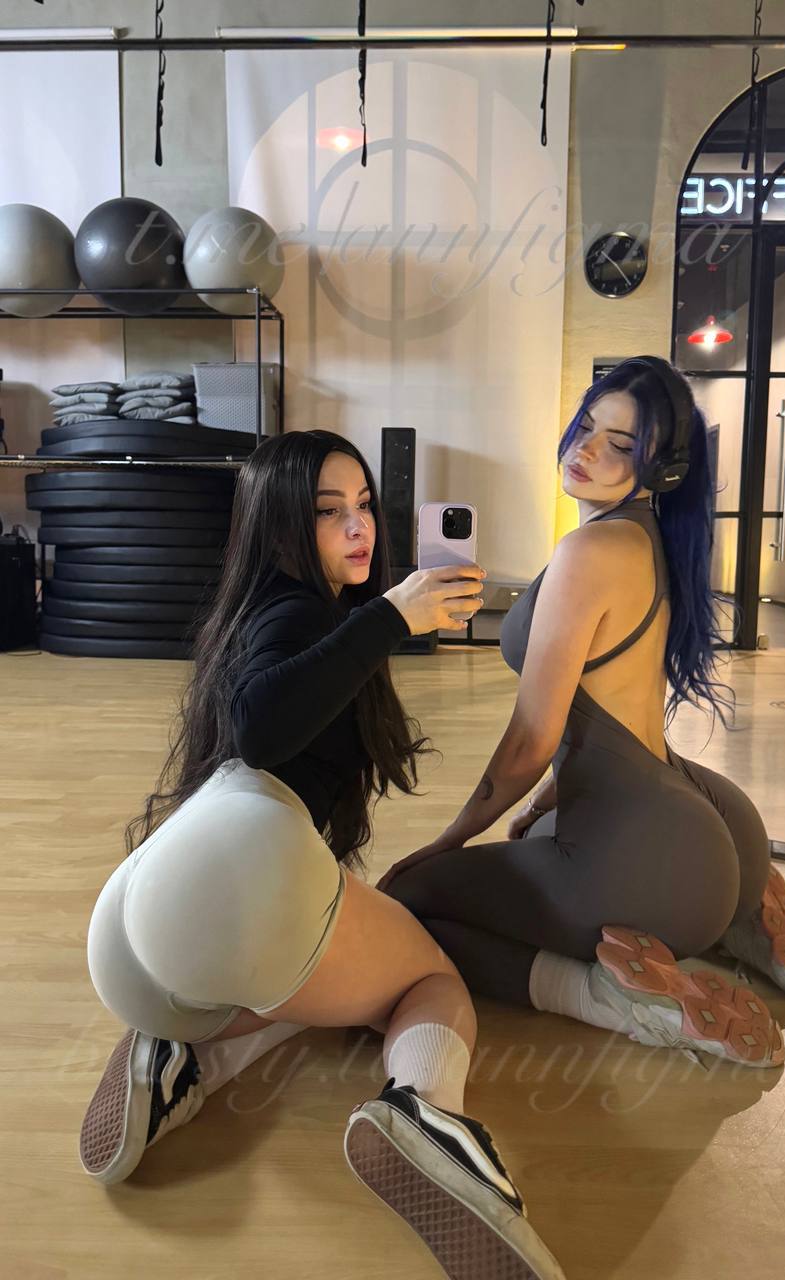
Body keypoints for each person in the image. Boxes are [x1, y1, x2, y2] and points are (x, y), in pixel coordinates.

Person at [79, 430, 565, 1280]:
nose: (358, 527)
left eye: (364, 506)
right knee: (428, 983)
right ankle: (426, 1115)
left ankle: (179, 1056)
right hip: (245, 870)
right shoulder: (302, 613)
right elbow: (262, 728)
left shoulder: (258, 612)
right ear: (277, 529)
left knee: (308, 976)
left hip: (139, 925)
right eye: (327, 512)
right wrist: (392, 616)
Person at [378, 357, 785, 1069]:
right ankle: (743, 924)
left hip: (653, 858)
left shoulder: (589, 550)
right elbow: (619, 702)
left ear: (662, 471)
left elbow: (532, 738)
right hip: (714, 827)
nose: (586, 450)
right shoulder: (653, 538)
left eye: (620, 444)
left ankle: (597, 993)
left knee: (407, 900)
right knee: (545, 831)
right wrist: (548, 798)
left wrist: (447, 841)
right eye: (586, 427)